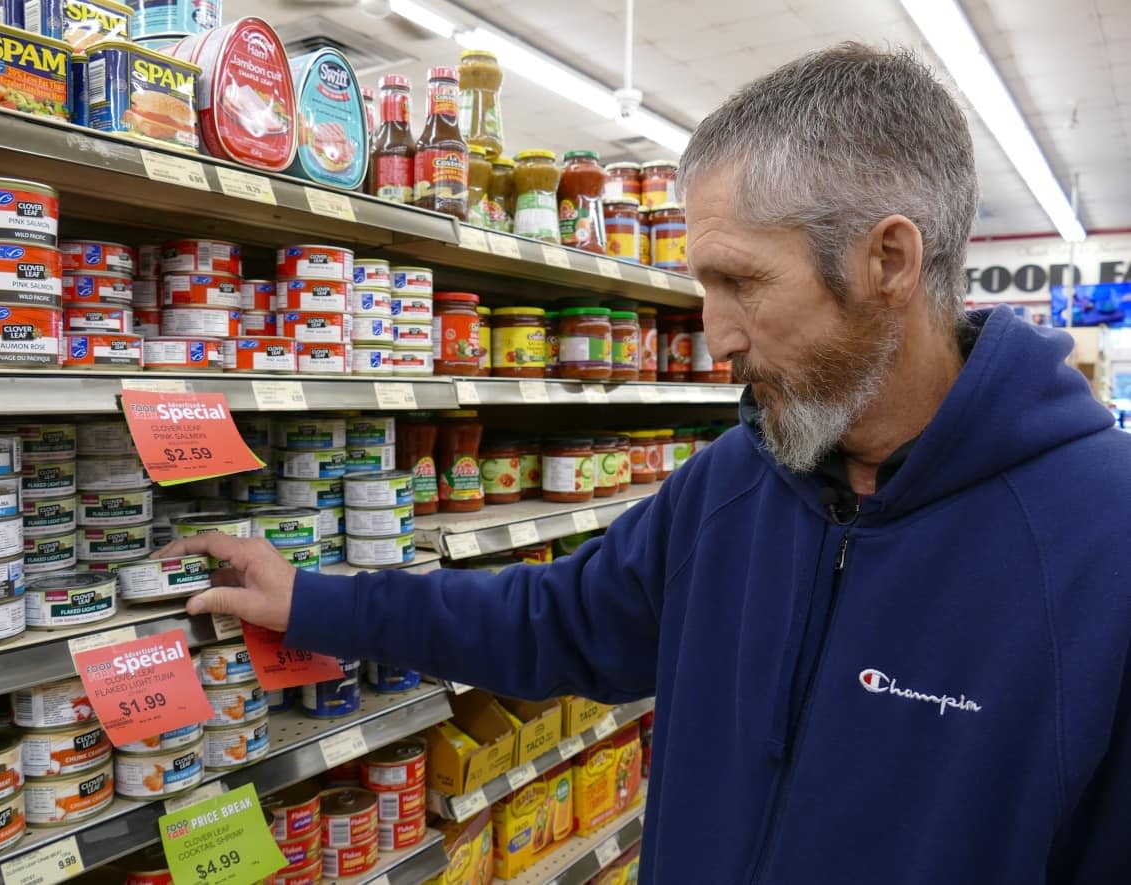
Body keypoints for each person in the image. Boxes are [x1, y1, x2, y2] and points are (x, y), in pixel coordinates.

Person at [157, 43, 1131, 883]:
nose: (714, 340)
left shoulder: (1100, 544)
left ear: (887, 260)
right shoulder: (738, 482)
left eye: (739, 282)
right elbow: (553, 620)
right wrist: (315, 602)